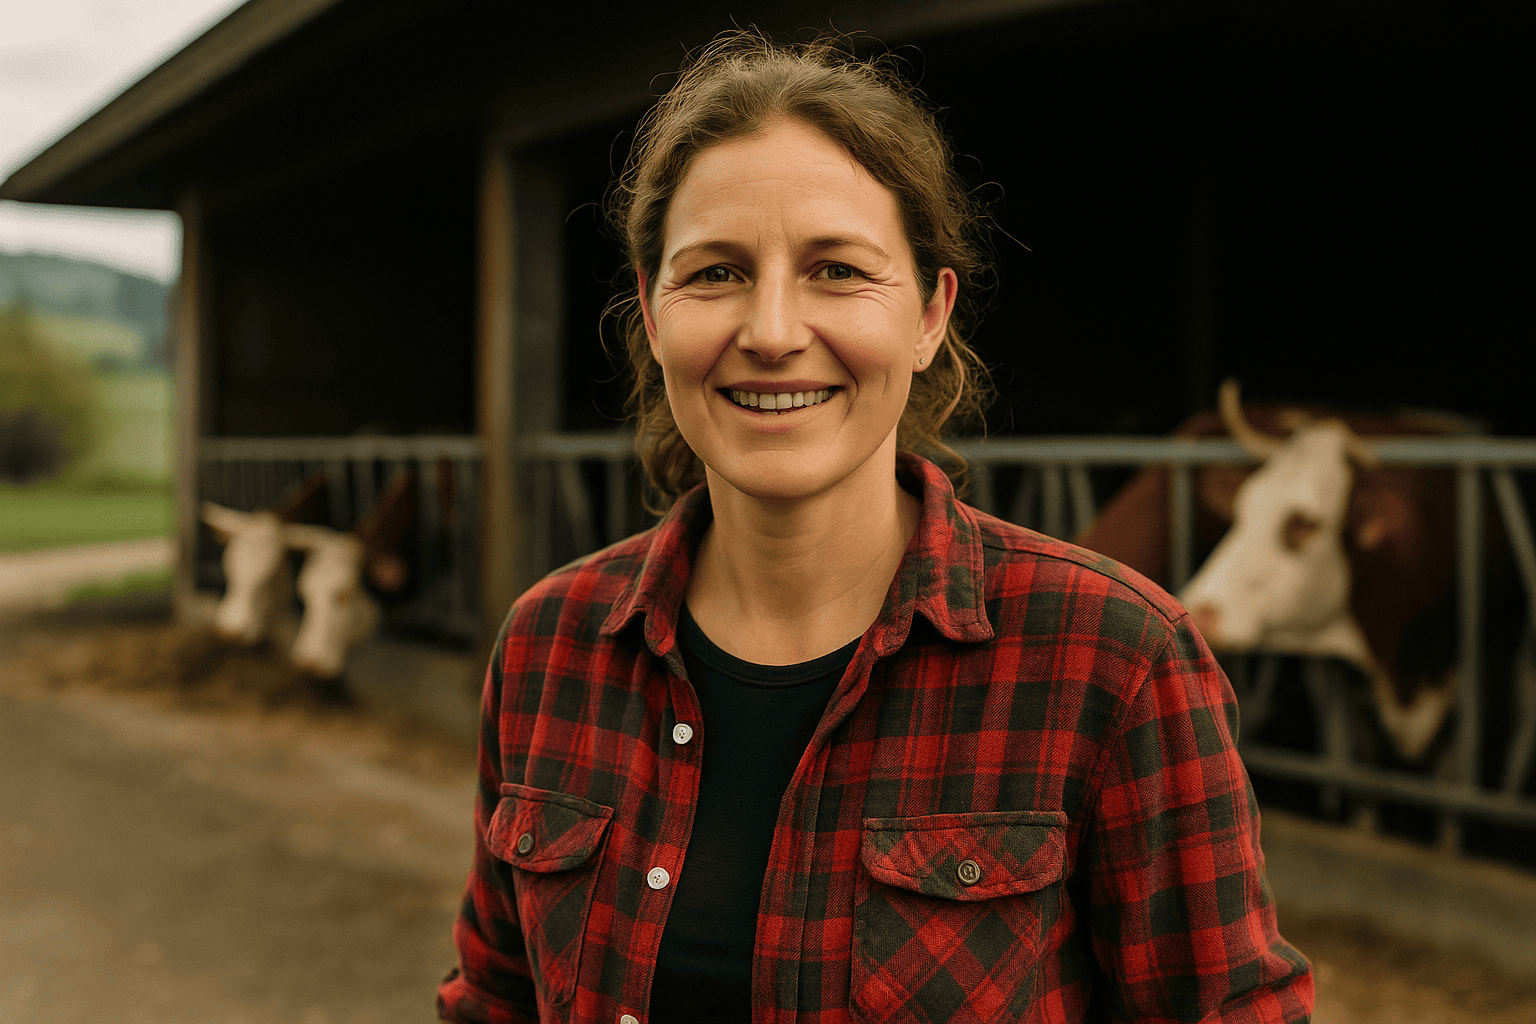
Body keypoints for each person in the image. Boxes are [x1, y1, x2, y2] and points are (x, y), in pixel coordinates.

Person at [438, 29, 1314, 1024]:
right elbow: (494, 1001)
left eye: (838, 270)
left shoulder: (1113, 660)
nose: (772, 332)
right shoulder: (549, 643)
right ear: (649, 308)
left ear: (930, 315)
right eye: (716, 272)